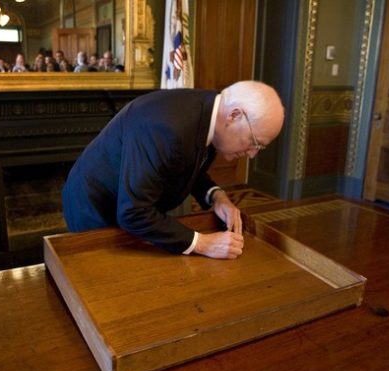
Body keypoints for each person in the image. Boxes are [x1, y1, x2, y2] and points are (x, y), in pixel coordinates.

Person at [62, 81, 285, 259]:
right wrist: (203, 243)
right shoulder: (167, 129)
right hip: (94, 206)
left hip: (128, 201)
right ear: (234, 115)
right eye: (255, 141)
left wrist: (217, 197)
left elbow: (186, 164)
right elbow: (132, 212)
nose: (253, 153)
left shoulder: (211, 112)